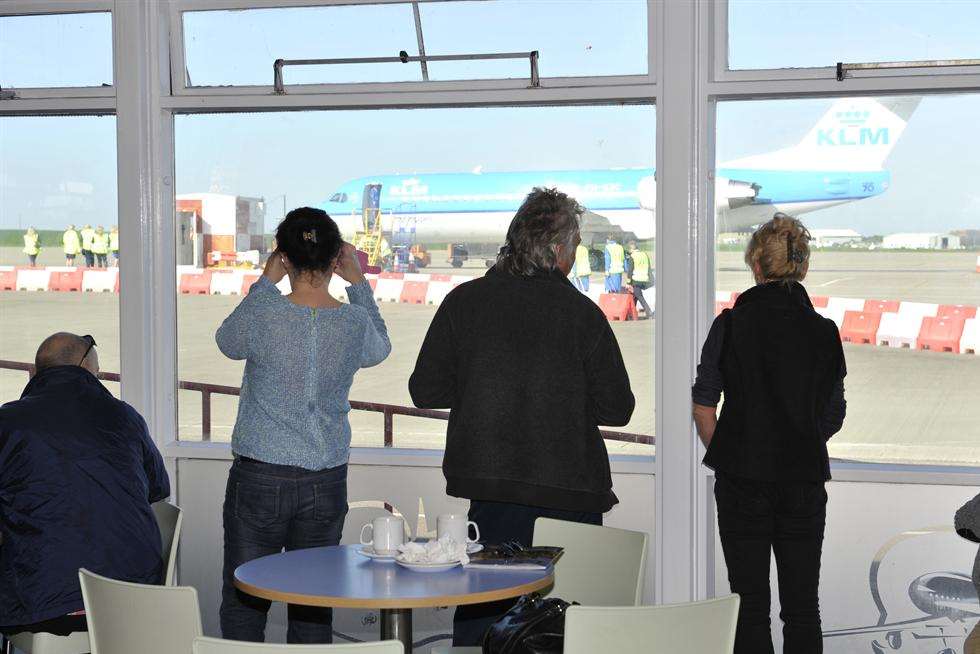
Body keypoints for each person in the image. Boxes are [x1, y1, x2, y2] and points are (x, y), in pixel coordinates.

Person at [409, 187, 635, 646]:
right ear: (557, 251)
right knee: (564, 632)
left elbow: (424, 390)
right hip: (571, 498)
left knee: (487, 630)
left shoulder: (464, 303)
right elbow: (618, 408)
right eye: (572, 249)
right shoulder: (582, 315)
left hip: (492, 498)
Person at [216, 207, 391, 644]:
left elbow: (227, 341)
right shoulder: (352, 322)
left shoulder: (263, 312)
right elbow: (379, 349)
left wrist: (264, 281)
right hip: (324, 481)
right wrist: (359, 283)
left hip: (259, 474)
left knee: (244, 597)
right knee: (313, 602)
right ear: (336, 259)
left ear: (285, 258)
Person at [692, 213, 846, 654]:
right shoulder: (824, 331)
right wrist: (801, 440)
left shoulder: (731, 324)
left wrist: (729, 452)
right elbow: (834, 412)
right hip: (803, 483)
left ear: (756, 266)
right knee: (802, 609)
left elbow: (704, 407)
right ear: (801, 267)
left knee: (750, 607)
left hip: (742, 483)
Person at [0, 333, 170, 638]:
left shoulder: (9, 421)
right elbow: (157, 489)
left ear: (37, 373)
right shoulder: (125, 416)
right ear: (87, 370)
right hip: (131, 598)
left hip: (48, 609)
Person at [625, 241, 654, 318]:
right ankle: (631, 313)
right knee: (635, 295)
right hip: (645, 279)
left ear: (631, 249)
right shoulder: (644, 254)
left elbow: (630, 271)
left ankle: (649, 312)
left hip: (636, 280)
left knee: (639, 296)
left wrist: (628, 283)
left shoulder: (633, 256)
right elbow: (649, 268)